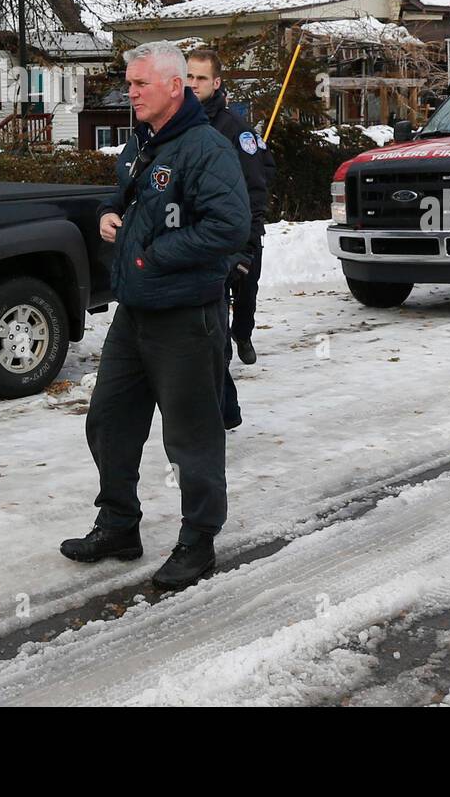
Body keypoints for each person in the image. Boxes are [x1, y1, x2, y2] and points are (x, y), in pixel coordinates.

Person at [60, 41, 250, 591]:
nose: (131, 92)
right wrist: (108, 214)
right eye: (130, 82)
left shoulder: (206, 149)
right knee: (108, 423)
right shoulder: (140, 145)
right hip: (135, 312)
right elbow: (121, 198)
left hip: (187, 317)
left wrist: (151, 255)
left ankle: (198, 542)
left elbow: (228, 227)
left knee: (191, 437)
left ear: (174, 86)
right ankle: (119, 524)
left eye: (141, 83)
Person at [184, 49, 270, 429]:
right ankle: (222, 413)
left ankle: (245, 334)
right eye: (188, 77)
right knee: (208, 332)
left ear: (216, 83)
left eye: (200, 79)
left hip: (232, 240)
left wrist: (245, 249)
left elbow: (255, 191)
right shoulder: (178, 125)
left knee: (242, 300)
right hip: (197, 243)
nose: (192, 84)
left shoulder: (238, 131)